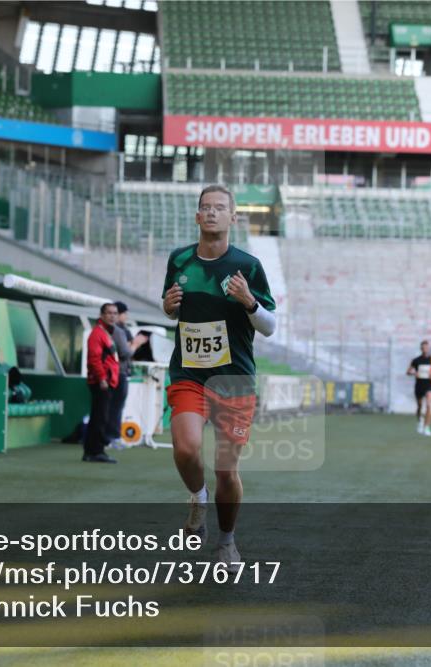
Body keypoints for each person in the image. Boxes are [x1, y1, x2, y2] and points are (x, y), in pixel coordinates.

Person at [161, 184, 276, 569]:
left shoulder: (249, 266)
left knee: (228, 469)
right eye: (205, 208)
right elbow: (171, 308)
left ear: (233, 217)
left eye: (219, 208)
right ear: (197, 217)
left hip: (234, 379)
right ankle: (197, 498)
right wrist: (166, 307)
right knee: (186, 447)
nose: (211, 213)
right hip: (189, 374)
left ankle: (227, 541)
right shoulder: (179, 260)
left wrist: (250, 302)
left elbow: (270, 326)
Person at [107, 301, 148, 447]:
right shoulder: (116, 330)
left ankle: (113, 436)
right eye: (124, 313)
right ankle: (112, 437)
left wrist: (135, 345)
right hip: (116, 373)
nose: (126, 316)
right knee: (115, 406)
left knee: (117, 406)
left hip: (122, 372)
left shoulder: (124, 329)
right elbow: (125, 353)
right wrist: (136, 344)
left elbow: (130, 352)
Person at [83, 302, 120, 463]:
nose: (112, 316)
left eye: (115, 313)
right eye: (109, 313)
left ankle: (92, 451)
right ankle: (95, 452)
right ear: (102, 315)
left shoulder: (106, 332)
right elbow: (94, 359)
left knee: (99, 417)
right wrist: (102, 379)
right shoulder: (97, 333)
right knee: (99, 418)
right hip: (101, 382)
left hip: (106, 381)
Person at [405, 340, 431, 436]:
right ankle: (420, 421)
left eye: (426, 347)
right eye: (423, 348)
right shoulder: (416, 360)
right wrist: (414, 373)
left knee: (429, 405)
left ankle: (427, 427)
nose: (425, 349)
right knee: (420, 406)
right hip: (419, 385)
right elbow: (408, 371)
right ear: (421, 349)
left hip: (429, 385)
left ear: (428, 348)